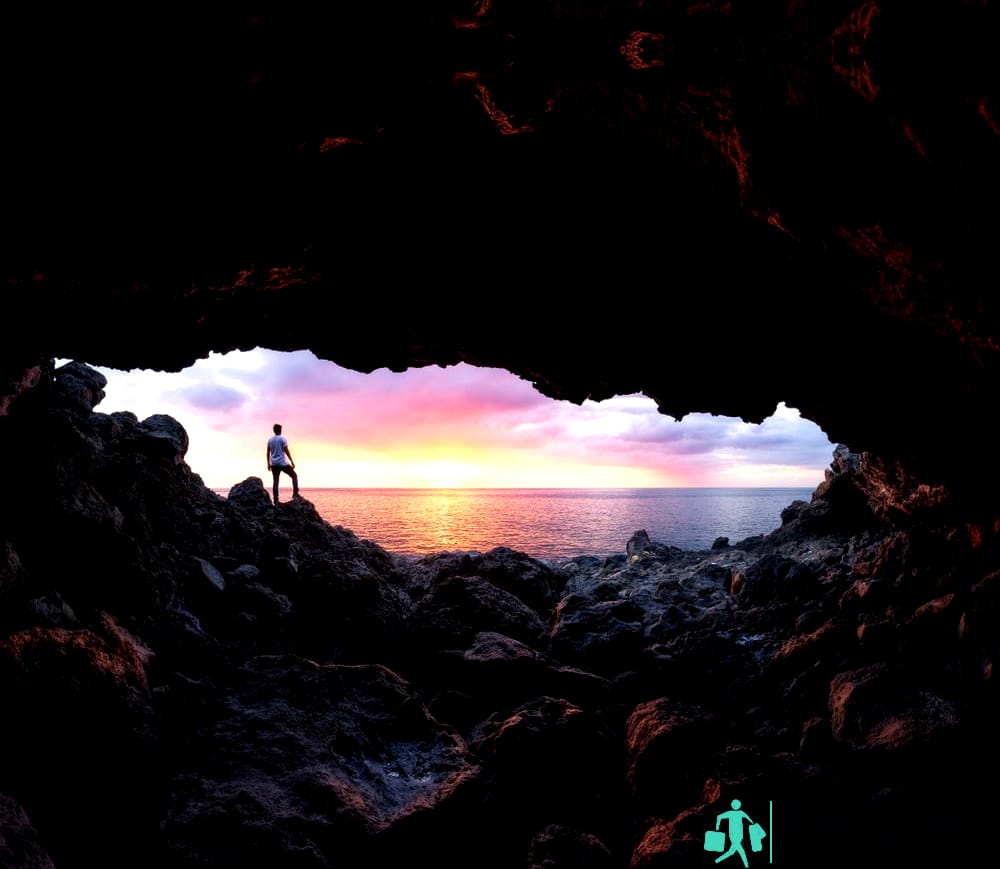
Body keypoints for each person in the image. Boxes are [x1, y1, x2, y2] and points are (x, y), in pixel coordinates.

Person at [266, 423, 299, 503]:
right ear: (280, 430)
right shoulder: (282, 439)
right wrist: (292, 461)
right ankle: (295, 494)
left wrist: (268, 464)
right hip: (283, 463)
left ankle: (276, 500)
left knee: (275, 481)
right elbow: (286, 451)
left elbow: (267, 453)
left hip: (274, 464)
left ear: (274, 430)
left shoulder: (270, 440)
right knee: (294, 476)